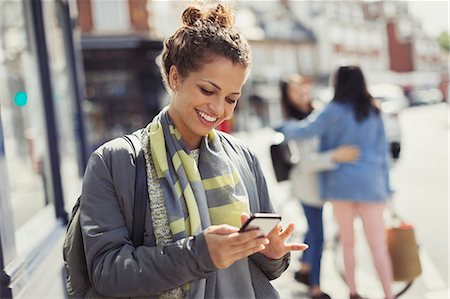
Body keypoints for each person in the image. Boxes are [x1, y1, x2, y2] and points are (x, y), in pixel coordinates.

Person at [79, 4, 307, 298]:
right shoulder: (115, 161)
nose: (218, 109)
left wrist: (273, 254)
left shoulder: (244, 157)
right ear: (175, 78)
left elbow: (266, 269)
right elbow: (107, 273)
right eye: (207, 90)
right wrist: (198, 255)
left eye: (231, 98)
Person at [277, 66, 394, 299]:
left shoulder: (332, 110)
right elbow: (384, 154)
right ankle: (389, 295)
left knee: (347, 244)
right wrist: (388, 189)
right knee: (378, 247)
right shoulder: (373, 110)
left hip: (341, 186)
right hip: (372, 185)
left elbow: (304, 131)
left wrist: (281, 128)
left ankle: (352, 292)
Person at [280, 74, 360, 299]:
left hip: (318, 184)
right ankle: (315, 287)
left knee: (313, 231)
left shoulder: (316, 111)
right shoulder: (294, 124)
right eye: (294, 90)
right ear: (287, 97)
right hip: (308, 186)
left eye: (302, 86)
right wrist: (337, 155)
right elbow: (307, 162)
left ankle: (305, 269)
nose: (302, 92)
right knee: (317, 234)